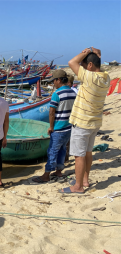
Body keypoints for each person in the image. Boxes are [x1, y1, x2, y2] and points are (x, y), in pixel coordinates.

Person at [59, 47, 110, 194]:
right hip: (94, 122)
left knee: (79, 155)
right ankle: (85, 180)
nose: (80, 68)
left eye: (84, 65)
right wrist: (95, 54)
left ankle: (78, 186)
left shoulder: (89, 77)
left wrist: (86, 52)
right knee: (87, 152)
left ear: (89, 66)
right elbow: (91, 63)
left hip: (82, 122)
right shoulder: (105, 77)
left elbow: (71, 62)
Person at [32, 70, 76, 183]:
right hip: (69, 127)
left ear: (59, 80)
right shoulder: (73, 92)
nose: (53, 83)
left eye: (54, 81)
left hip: (59, 127)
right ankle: (59, 171)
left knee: (52, 151)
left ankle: (46, 174)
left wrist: (51, 127)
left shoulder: (57, 94)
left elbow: (52, 112)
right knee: (62, 149)